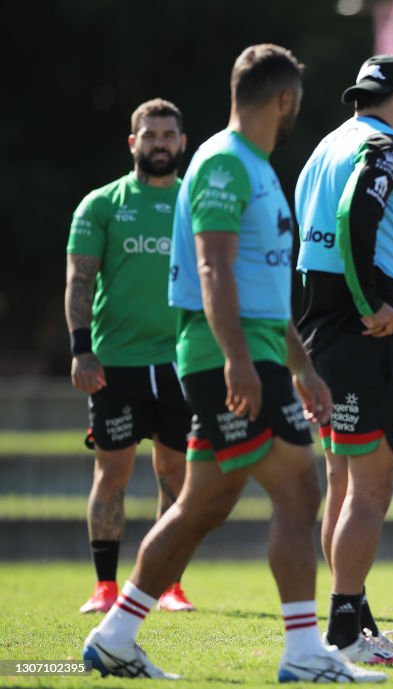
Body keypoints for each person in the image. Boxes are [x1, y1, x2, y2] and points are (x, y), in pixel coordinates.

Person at [82, 44, 386, 683]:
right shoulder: (224, 162)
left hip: (255, 355)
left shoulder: (257, 166)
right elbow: (213, 267)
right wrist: (238, 361)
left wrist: (302, 368)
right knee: (300, 488)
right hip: (228, 359)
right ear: (283, 100)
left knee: (202, 506)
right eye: (296, 102)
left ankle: (114, 637)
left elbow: (265, 285)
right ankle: (304, 653)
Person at [294, 54, 393, 666]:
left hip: (321, 329)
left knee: (343, 485)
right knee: (370, 490)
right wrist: (371, 300)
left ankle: (355, 618)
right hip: (367, 332)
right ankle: (345, 631)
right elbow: (356, 212)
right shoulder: (387, 145)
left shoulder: (324, 147)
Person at [65, 98, 195, 615]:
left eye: (168, 134)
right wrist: (81, 349)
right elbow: (79, 279)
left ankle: (169, 585)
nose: (159, 142)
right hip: (114, 363)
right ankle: (105, 586)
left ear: (181, 143)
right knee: (111, 476)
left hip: (181, 361)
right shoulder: (101, 204)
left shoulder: (195, 203)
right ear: (133, 142)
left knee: (177, 477)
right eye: (150, 134)